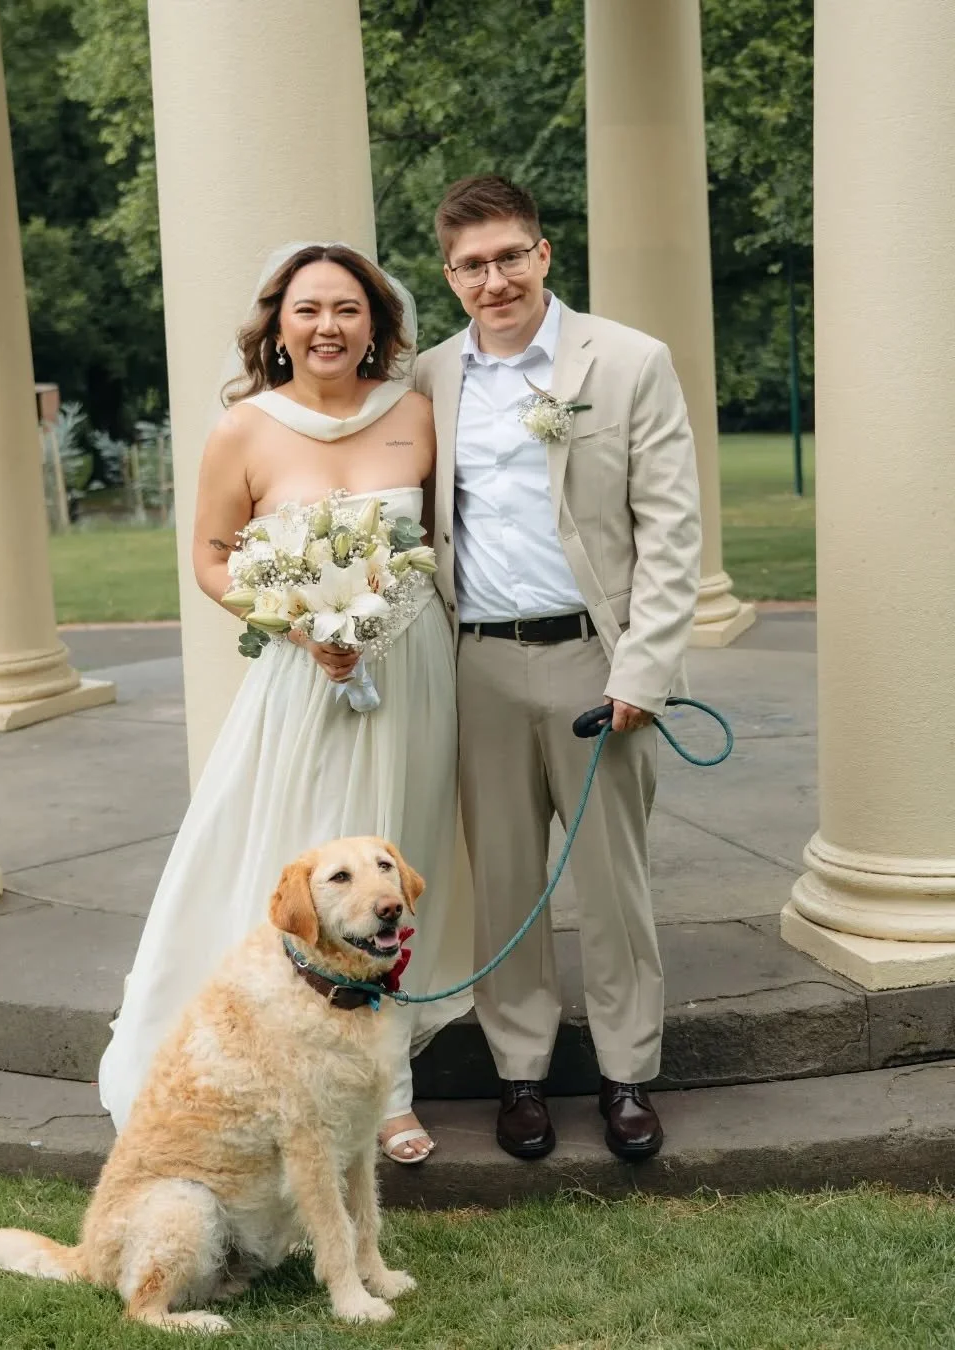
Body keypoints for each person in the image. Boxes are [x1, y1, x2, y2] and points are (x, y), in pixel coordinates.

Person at [98, 243, 470, 1165]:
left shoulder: (417, 415)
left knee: (394, 861)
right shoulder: (245, 431)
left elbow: (439, 540)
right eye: (308, 310)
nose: (328, 327)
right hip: (305, 680)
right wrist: (301, 624)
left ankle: (390, 1092)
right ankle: (293, 1066)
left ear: (377, 325)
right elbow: (214, 556)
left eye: (348, 309)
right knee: (307, 862)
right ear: (278, 326)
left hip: (412, 672)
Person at [415, 176, 701, 1162]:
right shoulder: (430, 379)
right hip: (477, 668)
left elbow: (671, 530)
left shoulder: (627, 362)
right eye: (471, 265)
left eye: (508, 257)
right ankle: (522, 1076)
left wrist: (644, 672)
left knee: (611, 884)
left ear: (542, 254)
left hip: (596, 662)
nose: (493, 279)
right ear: (450, 276)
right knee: (502, 881)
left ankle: (627, 1075)